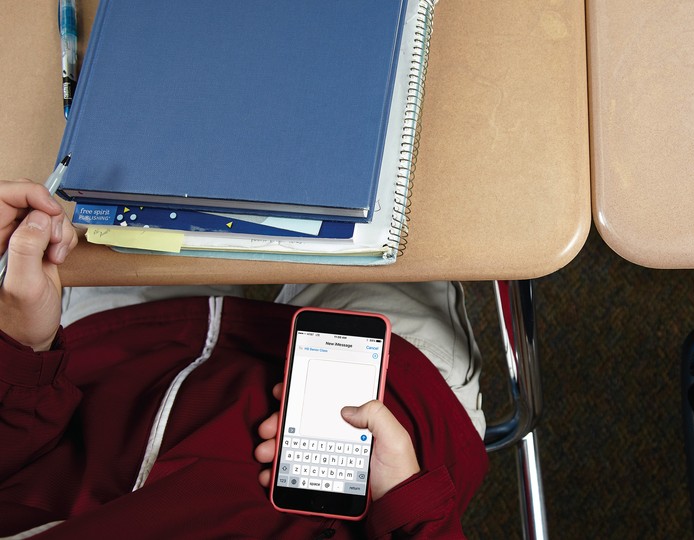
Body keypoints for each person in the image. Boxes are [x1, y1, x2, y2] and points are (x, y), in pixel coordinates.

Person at [0, 178, 489, 539]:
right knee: (399, 196)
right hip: (368, 450)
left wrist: (23, 348)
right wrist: (405, 502)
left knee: (167, 150)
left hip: (113, 368)